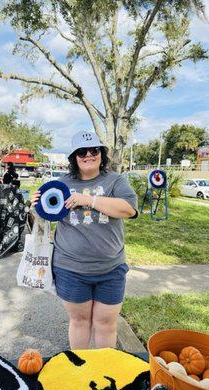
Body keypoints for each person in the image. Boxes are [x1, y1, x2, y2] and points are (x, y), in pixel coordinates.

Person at [31, 131, 138, 350]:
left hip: (111, 270)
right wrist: (36, 205)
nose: (88, 155)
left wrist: (89, 199)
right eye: (82, 151)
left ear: (101, 154)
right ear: (74, 157)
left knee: (106, 324)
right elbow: (45, 218)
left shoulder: (115, 181)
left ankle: (102, 371)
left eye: (94, 150)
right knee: (79, 322)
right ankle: (80, 371)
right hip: (70, 270)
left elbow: (128, 210)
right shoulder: (60, 184)